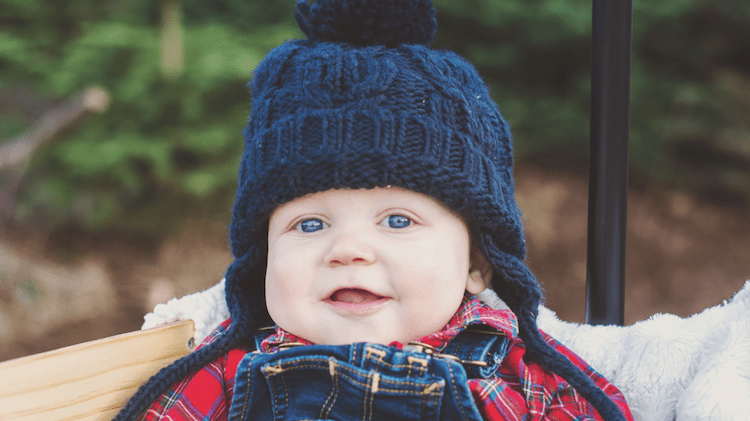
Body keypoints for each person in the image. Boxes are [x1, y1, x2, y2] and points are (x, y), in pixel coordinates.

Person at [115, 0, 633, 420]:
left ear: (476, 262)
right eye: (310, 224)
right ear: (263, 256)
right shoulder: (226, 373)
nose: (348, 250)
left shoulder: (525, 376)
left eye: (398, 220)